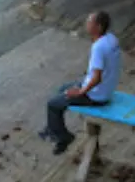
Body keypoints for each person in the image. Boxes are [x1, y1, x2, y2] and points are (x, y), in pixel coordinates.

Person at [40, 11, 121, 155]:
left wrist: (81, 91)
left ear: (99, 27)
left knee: (52, 104)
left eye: (90, 22)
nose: (86, 24)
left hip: (96, 96)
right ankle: (53, 128)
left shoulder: (98, 48)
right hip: (106, 89)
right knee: (63, 89)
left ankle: (64, 137)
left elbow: (97, 78)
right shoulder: (111, 39)